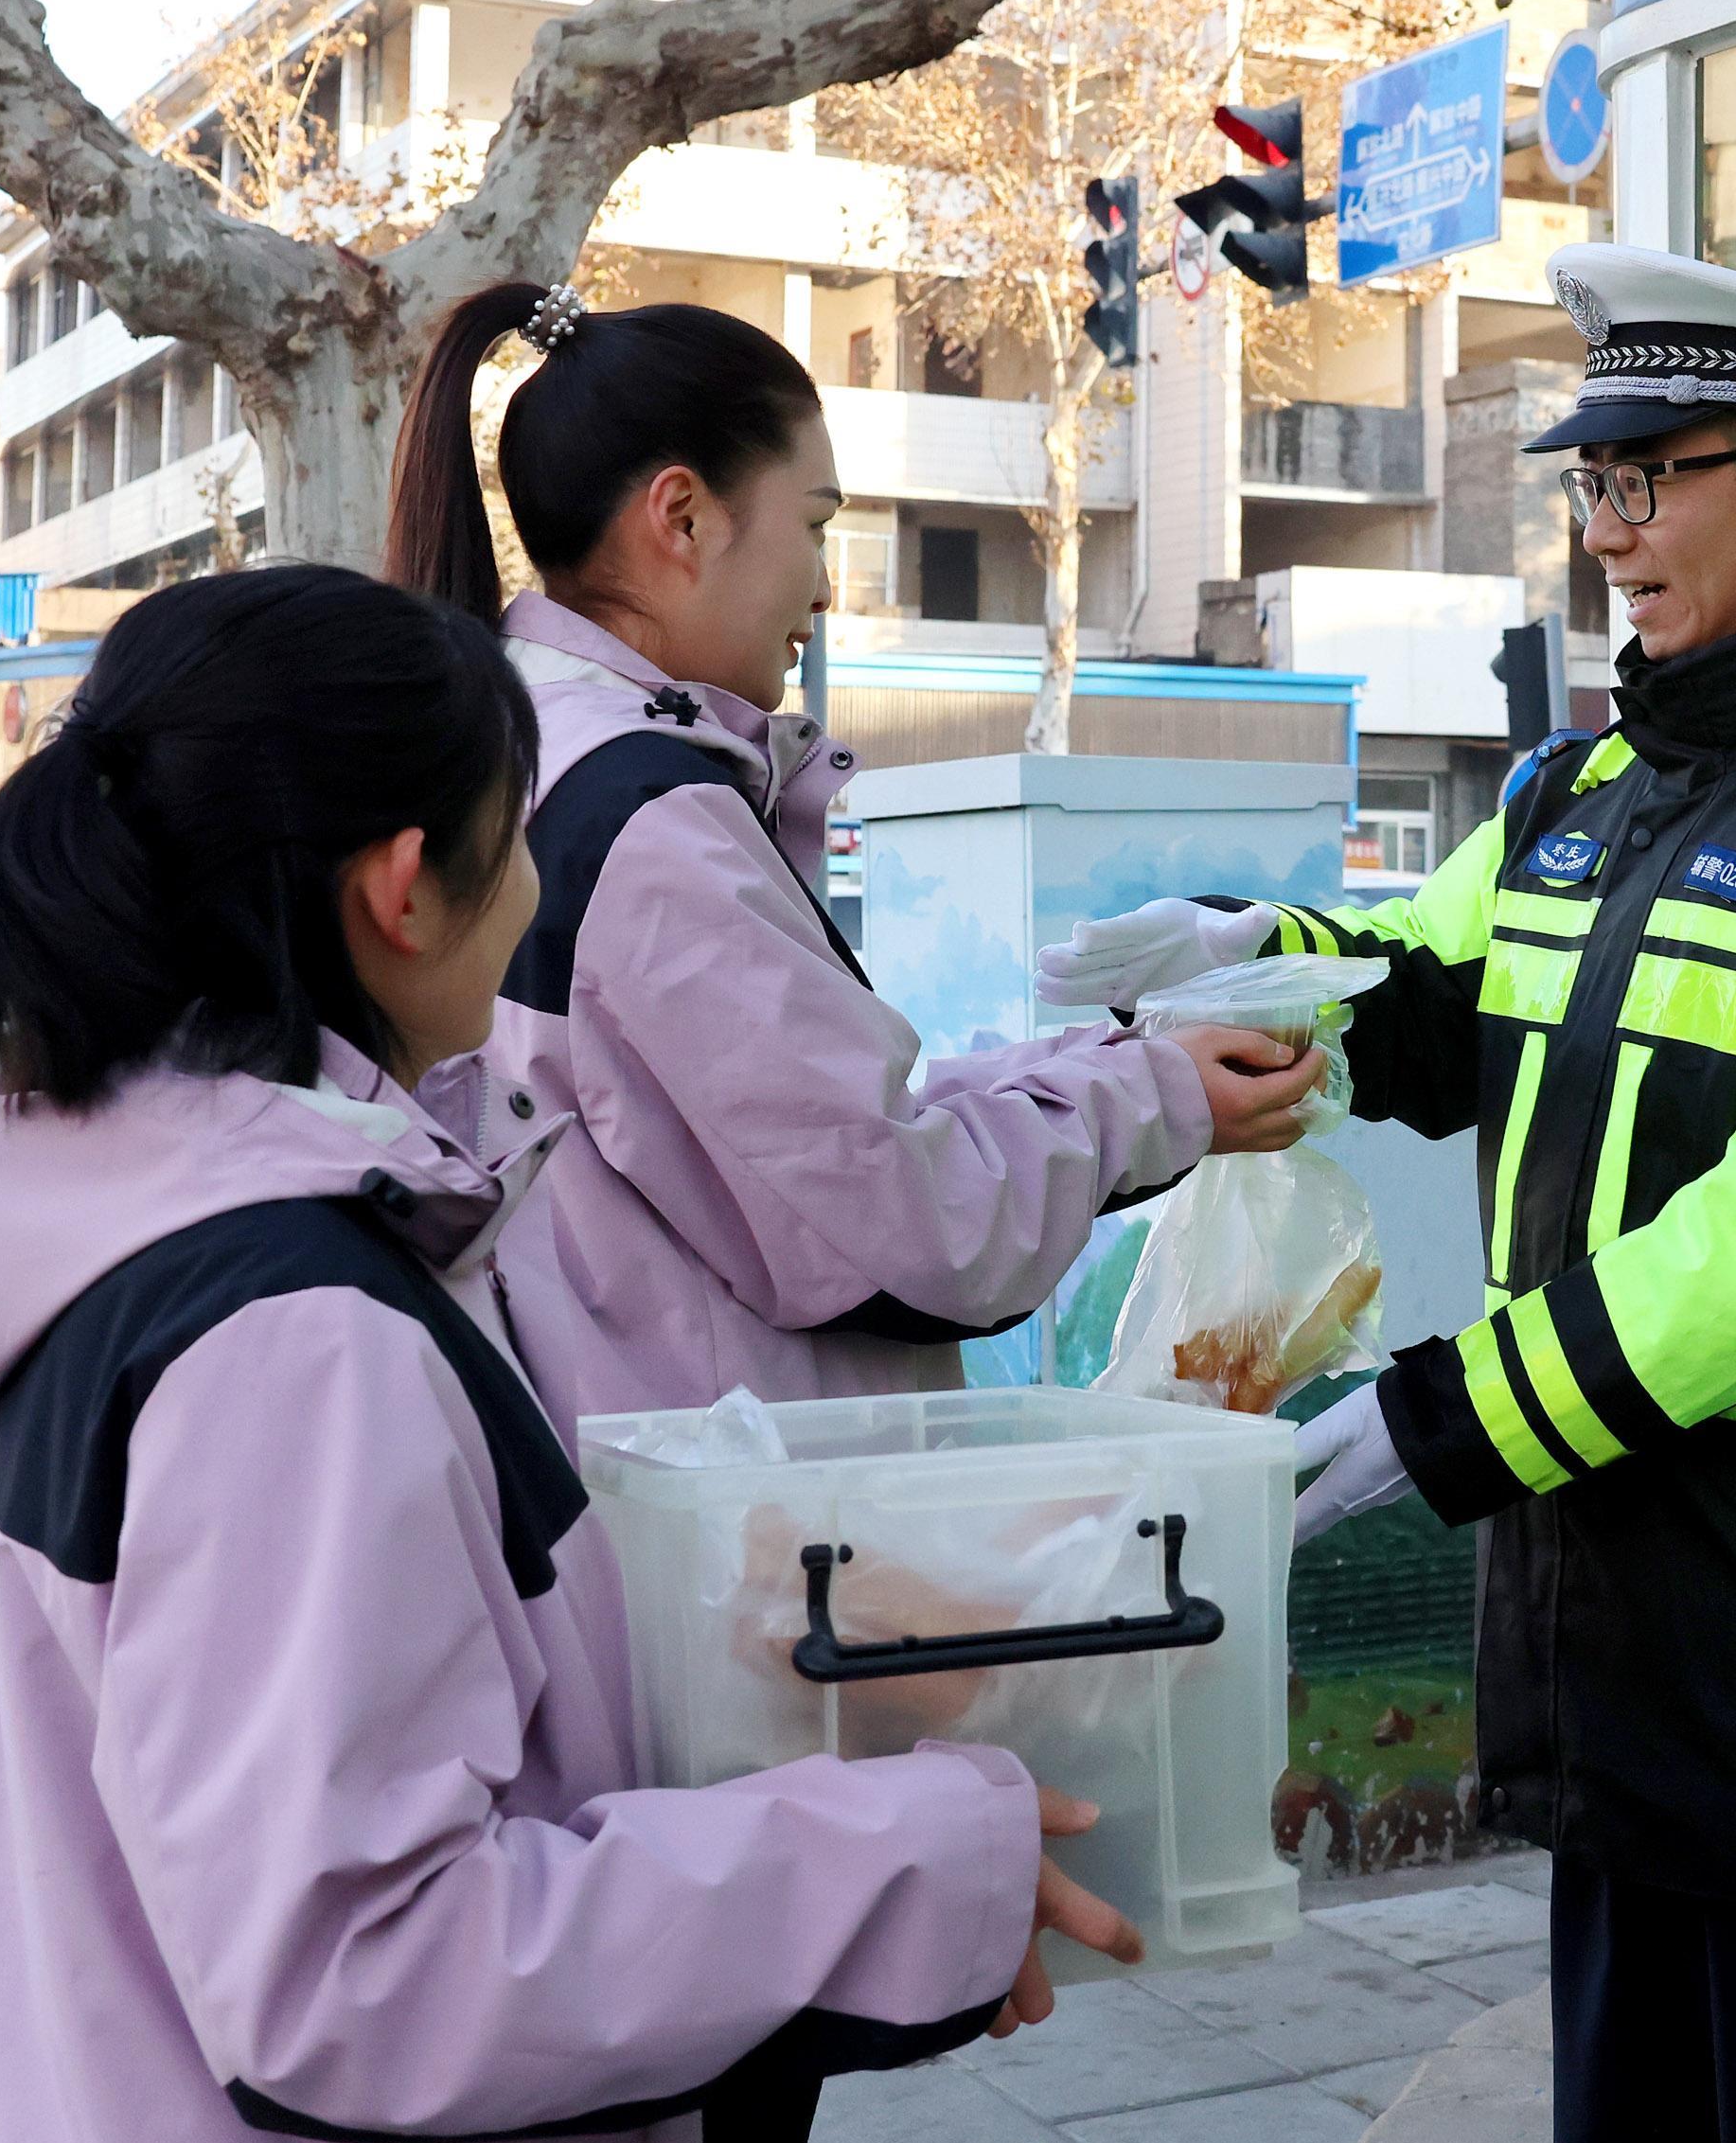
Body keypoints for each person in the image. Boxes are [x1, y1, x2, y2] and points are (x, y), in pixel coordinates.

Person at [1040, 241, 1736, 2143]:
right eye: (1591, 484)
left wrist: (1449, 1417)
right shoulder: (1585, 792)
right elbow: (1433, 991)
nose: (1606, 530)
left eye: (1646, 479)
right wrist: (1252, 957)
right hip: (1618, 1664)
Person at [0, 564, 1137, 2143]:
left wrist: (768, 1662)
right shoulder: (289, 1337)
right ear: (405, 890)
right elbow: (366, 1971)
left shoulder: (165, 1223)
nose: (541, 882)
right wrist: (907, 1861)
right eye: (519, 829)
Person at [381, 280, 1330, 1443]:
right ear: (681, 516)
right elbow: (902, 1223)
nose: (826, 587)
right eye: (816, 522)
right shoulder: (650, 820)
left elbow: (811, 1135)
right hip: (730, 1505)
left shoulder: (513, 748)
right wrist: (1157, 1095)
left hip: (603, 1455)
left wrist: (1126, 1065)